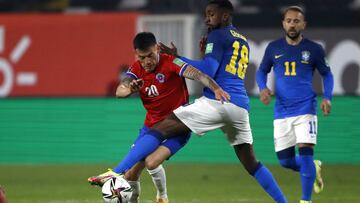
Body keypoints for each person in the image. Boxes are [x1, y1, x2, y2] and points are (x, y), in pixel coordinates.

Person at [90, 1, 288, 202]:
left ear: (226, 16)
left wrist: (179, 59)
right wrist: (185, 58)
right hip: (240, 106)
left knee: (159, 129)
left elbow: (207, 70)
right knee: (251, 163)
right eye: (207, 14)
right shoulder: (241, 39)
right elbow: (219, 67)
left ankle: (116, 172)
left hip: (217, 100)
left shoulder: (217, 35)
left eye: (212, 14)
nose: (207, 18)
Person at [88, 32, 230, 203]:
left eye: (150, 56)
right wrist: (130, 90)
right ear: (136, 55)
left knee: (152, 162)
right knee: (131, 174)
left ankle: (162, 197)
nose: (147, 62)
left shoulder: (171, 62)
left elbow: (198, 75)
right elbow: (120, 90)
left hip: (177, 127)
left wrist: (215, 88)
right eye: (141, 57)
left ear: (157, 49)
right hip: (151, 129)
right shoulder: (136, 69)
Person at [256, 6, 334, 203]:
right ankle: (313, 168)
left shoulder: (314, 49)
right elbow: (261, 70)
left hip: (305, 108)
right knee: (286, 161)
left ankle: (305, 200)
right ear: (283, 23)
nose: (292, 24)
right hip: (281, 111)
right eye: (289, 20)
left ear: (303, 25)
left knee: (306, 153)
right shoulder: (273, 48)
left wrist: (327, 97)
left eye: (296, 21)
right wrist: (262, 88)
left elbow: (327, 73)